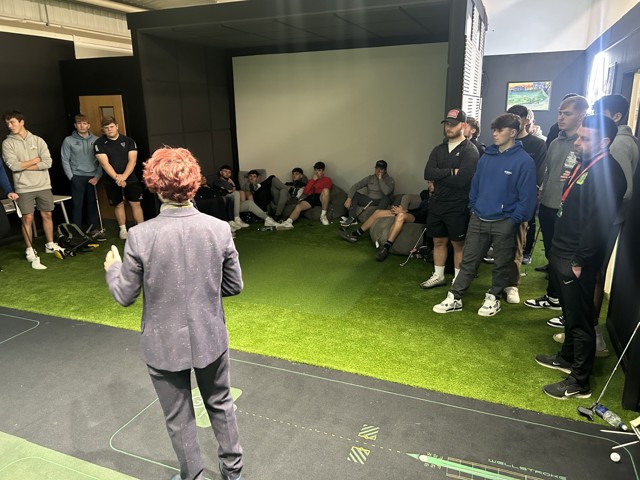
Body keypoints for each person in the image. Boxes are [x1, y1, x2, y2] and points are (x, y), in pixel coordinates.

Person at [104, 147, 245, 480]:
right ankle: (234, 473)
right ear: (194, 183)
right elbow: (233, 285)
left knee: (178, 417)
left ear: (155, 185)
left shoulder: (139, 236)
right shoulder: (219, 229)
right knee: (221, 405)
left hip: (163, 344)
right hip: (210, 337)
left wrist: (113, 269)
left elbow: (125, 295)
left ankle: (192, 476)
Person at [534, 115, 625, 399]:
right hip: (563, 249)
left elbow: (599, 224)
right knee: (569, 313)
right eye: (579, 137)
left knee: (580, 319)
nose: (578, 143)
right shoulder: (587, 164)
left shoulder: (609, 173)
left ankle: (580, 381)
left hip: (576, 256)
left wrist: (579, 260)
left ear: (604, 142)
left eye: (585, 139)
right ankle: (567, 358)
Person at [432, 113, 536, 316]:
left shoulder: (524, 161)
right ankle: (455, 296)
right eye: (494, 130)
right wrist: (474, 207)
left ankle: (494, 297)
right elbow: (476, 184)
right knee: (468, 261)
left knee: (502, 263)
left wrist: (513, 220)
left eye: (500, 130)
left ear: (513, 132)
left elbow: (527, 198)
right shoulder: (486, 156)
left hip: (505, 221)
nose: (495, 134)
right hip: (479, 217)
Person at [524, 96, 588, 312]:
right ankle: (552, 296)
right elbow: (549, 171)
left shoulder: (584, 144)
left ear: (581, 115)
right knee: (551, 254)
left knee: (566, 259)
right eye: (560, 113)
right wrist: (541, 192)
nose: (561, 117)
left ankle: (564, 301)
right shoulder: (555, 142)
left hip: (569, 210)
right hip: (548, 205)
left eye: (567, 114)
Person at [420, 108, 479, 289]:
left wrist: (439, 177)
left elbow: (462, 181)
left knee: (458, 244)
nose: (449, 127)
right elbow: (427, 173)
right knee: (438, 241)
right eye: (447, 124)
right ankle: (438, 276)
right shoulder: (438, 149)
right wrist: (451, 171)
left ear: (463, 125)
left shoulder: (470, 150)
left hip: (457, 205)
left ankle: (458, 281)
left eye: (453, 124)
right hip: (437, 203)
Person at [2, 110, 63, 265]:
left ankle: (50, 244)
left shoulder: (38, 140)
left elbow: (47, 162)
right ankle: (29, 249)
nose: (10, 126)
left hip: (43, 185)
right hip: (23, 188)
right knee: (27, 218)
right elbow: (14, 166)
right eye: (7, 123)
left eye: (12, 122)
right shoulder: (7, 143)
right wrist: (35, 161)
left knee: (47, 214)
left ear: (22, 122)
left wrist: (25, 166)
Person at [502, 105, 548, 303]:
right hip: (499, 201)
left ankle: (512, 285)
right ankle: (497, 283)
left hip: (521, 202)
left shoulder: (537, 145)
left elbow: (538, 176)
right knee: (499, 244)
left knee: (516, 245)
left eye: (516, 119)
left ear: (526, 121)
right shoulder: (502, 141)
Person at [93, 116, 144, 239]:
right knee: (118, 204)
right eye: (106, 128)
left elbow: (132, 161)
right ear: (103, 129)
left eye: (111, 127)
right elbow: (104, 163)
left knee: (135, 203)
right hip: (111, 180)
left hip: (130, 178)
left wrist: (124, 177)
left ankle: (142, 229)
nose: (109, 129)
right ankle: (123, 230)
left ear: (117, 126)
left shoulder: (129, 141)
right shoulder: (99, 143)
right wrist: (117, 178)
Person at [339, 191, 429, 261]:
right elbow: (416, 203)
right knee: (378, 212)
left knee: (401, 215)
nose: (429, 185)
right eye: (428, 182)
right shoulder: (425, 194)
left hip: (418, 217)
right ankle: (355, 234)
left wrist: (404, 212)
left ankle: (386, 248)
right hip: (411, 212)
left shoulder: (435, 201)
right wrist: (404, 210)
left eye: (431, 183)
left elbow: (424, 214)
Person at [60, 114, 103, 238]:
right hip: (77, 176)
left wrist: (97, 177)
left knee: (91, 203)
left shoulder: (97, 140)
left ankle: (92, 229)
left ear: (88, 125)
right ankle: (76, 231)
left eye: (84, 123)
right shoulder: (68, 140)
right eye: (79, 123)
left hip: (92, 176)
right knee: (77, 204)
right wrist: (71, 177)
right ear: (75, 125)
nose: (82, 126)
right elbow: (65, 159)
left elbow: (102, 161)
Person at [214, 166, 279, 230]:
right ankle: (237, 219)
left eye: (229, 172)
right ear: (220, 172)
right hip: (226, 205)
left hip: (234, 206)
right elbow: (226, 192)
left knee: (249, 203)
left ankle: (268, 220)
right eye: (225, 171)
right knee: (237, 192)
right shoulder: (217, 181)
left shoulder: (230, 182)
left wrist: (233, 184)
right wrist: (232, 190)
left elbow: (232, 191)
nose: (227, 173)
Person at [277, 161, 333, 229]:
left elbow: (326, 190)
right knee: (299, 206)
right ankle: (288, 222)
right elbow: (306, 192)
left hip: (321, 197)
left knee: (326, 190)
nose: (316, 172)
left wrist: (315, 190)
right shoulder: (311, 180)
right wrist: (313, 180)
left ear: (323, 171)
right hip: (312, 197)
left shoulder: (327, 179)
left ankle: (323, 216)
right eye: (315, 170)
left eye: (319, 170)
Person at [341, 160, 395, 226]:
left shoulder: (390, 179)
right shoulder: (370, 178)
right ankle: (352, 218)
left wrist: (380, 179)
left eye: (381, 169)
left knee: (387, 198)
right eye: (376, 168)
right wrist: (349, 199)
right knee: (354, 194)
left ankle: (373, 220)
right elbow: (356, 186)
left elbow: (386, 192)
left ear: (385, 170)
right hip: (370, 199)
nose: (378, 171)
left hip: (381, 200)